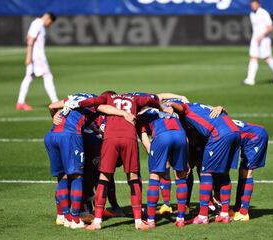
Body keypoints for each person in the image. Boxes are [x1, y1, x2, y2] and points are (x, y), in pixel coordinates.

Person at [64, 91, 160, 230]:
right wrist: (160, 107)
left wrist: (76, 103)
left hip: (110, 138)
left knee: (104, 178)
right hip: (129, 137)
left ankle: (97, 221)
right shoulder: (134, 98)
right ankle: (138, 221)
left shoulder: (107, 97)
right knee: (133, 178)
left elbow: (93, 102)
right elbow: (150, 100)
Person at [45, 93, 134, 229]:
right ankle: (75, 219)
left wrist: (54, 116)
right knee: (77, 176)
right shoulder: (95, 102)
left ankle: (62, 216)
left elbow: (51, 106)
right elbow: (105, 108)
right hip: (69, 136)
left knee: (62, 176)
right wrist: (124, 113)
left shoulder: (75, 97)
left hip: (51, 136)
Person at [169, 102, 240, 224]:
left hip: (219, 134)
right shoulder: (201, 106)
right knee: (224, 174)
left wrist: (169, 104)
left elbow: (180, 107)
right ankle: (224, 214)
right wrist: (221, 107)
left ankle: (202, 215)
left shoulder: (185, 109)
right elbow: (224, 112)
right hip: (235, 131)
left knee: (205, 172)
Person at [137, 104, 188, 228]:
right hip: (181, 136)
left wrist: (155, 158)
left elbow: (145, 141)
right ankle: (180, 218)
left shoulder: (142, 115)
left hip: (162, 136)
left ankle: (151, 220)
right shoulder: (169, 110)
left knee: (154, 177)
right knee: (180, 177)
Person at [16, 12, 58, 111]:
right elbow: (30, 39)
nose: (49, 25)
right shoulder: (38, 24)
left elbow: (28, 37)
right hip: (37, 57)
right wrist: (29, 56)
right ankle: (55, 101)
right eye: (50, 23)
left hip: (35, 56)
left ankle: (20, 102)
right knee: (48, 76)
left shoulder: (36, 23)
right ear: (48, 19)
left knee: (28, 77)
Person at [229, 119, 269, 221]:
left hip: (256, 136)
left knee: (246, 172)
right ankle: (237, 208)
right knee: (242, 171)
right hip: (248, 138)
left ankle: (244, 212)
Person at [243, 0, 273, 86]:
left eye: (254, 4)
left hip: (264, 39)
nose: (253, 6)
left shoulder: (263, 13)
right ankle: (250, 79)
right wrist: (256, 37)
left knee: (267, 58)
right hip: (255, 39)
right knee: (253, 57)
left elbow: (270, 27)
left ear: (258, 4)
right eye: (251, 4)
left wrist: (262, 35)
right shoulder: (252, 14)